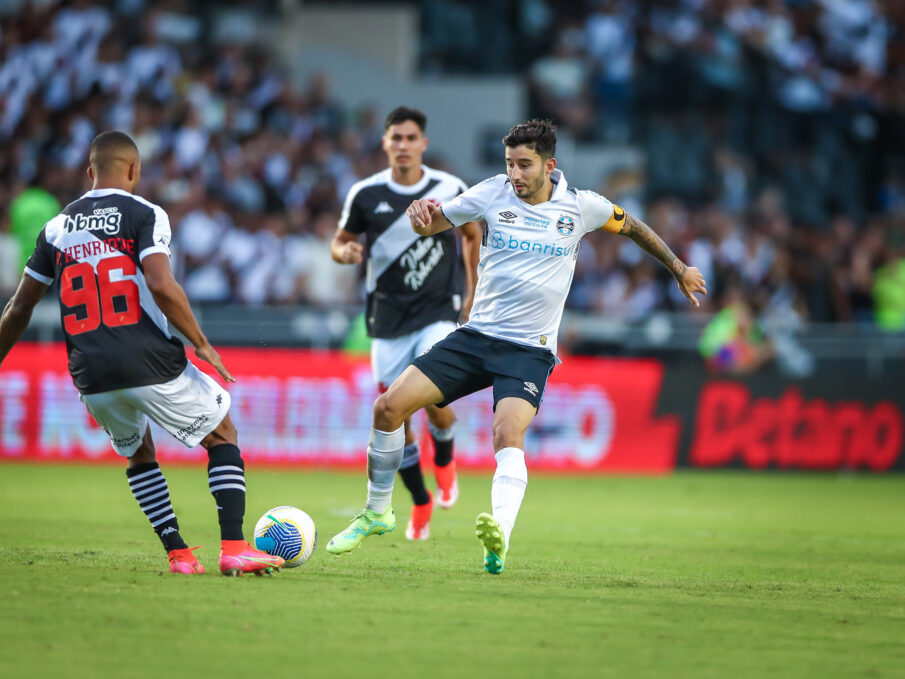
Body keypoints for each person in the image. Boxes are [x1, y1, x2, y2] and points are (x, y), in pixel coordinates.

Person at [326, 119, 707, 573]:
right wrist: (421, 219)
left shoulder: (582, 207)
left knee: (507, 433)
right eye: (510, 164)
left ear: (550, 165)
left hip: (528, 351)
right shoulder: (491, 193)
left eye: (524, 165)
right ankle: (377, 512)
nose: (515, 174)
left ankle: (499, 535)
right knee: (388, 408)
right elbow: (436, 224)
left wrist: (679, 267)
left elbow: (635, 228)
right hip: (475, 337)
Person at [0, 131, 284, 577]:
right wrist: (201, 342)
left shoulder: (55, 228)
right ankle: (233, 547)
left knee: (139, 454)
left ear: (90, 172)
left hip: (90, 373)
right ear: (134, 171)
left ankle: (180, 555)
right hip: (147, 358)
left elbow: (20, 307)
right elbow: (160, 282)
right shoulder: (145, 213)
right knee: (222, 434)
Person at [331, 107, 481, 540]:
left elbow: (471, 235)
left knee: (432, 395)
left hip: (438, 310)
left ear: (423, 144)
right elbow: (339, 243)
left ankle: (446, 456)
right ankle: (419, 501)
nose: (402, 145)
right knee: (396, 417)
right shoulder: (365, 194)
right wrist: (345, 254)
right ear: (385, 143)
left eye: (410, 137)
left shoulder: (448, 188)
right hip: (387, 320)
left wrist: (471, 291)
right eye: (395, 137)